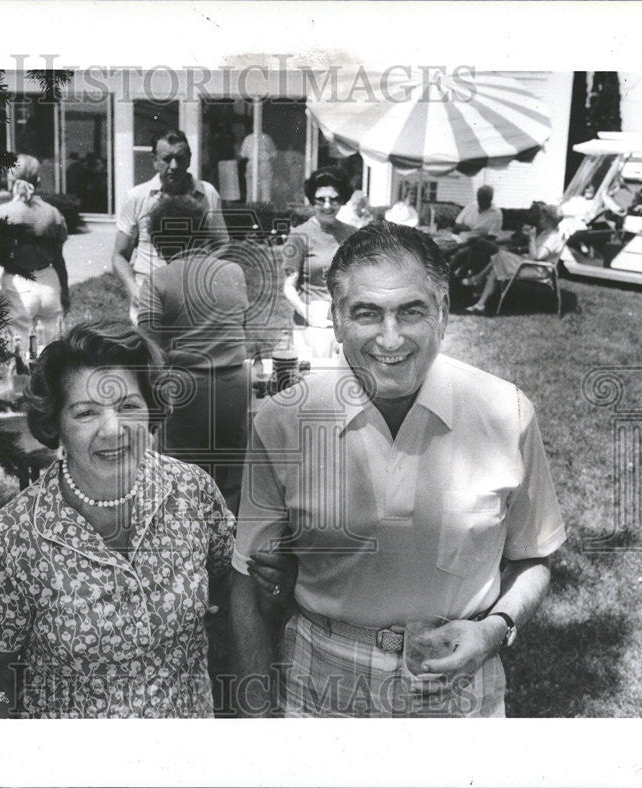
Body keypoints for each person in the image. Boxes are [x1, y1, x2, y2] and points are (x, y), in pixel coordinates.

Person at [230, 221, 565, 717]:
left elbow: (533, 557)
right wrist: (255, 720)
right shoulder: (283, 421)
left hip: (458, 675)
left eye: (412, 311)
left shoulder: (506, 412)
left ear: (444, 314)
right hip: (320, 677)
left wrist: (493, 631)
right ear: (336, 320)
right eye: (367, 313)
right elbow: (248, 583)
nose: (392, 339)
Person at [0, 320, 236, 718]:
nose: (113, 430)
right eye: (86, 413)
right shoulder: (12, 538)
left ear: (151, 411)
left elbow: (229, 587)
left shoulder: (192, 492)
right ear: (55, 424)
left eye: (128, 406)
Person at [136, 196, 250, 514]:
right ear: (202, 232)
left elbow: (147, 349)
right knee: (228, 478)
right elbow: (240, 326)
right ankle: (227, 549)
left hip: (185, 388)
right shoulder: (233, 271)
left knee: (179, 479)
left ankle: (184, 548)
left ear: (159, 240)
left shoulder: (158, 279)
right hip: (234, 385)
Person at [113, 129, 228, 321]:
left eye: (180, 158)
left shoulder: (207, 194)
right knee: (150, 350)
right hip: (149, 294)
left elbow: (223, 244)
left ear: (190, 159)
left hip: (194, 297)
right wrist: (133, 289)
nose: (174, 166)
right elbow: (119, 255)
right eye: (167, 159)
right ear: (155, 160)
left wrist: (200, 273)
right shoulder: (137, 197)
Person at [0, 154, 69, 350]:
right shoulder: (53, 213)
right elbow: (59, 258)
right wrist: (65, 291)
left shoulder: (1, 213)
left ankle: (23, 379)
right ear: (38, 180)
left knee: (19, 348)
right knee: (54, 346)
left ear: (10, 180)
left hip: (18, 283)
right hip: (49, 282)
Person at [281, 167, 356, 358]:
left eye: (334, 199)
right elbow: (288, 286)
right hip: (311, 323)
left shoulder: (352, 234)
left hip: (344, 319)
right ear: (312, 200)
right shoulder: (300, 235)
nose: (327, 206)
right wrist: (308, 314)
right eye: (321, 199)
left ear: (343, 200)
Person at [463, 202, 565, 314]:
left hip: (537, 270)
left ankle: (478, 283)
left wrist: (531, 238)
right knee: (499, 259)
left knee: (499, 258)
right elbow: (534, 255)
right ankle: (480, 301)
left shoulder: (552, 238)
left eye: (542, 217)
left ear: (549, 220)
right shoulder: (548, 233)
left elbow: (536, 257)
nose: (540, 219)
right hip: (531, 265)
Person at [239, 129, 277, 203]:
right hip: (265, 163)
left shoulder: (248, 138)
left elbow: (243, 155)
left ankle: (251, 208)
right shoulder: (267, 138)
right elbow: (273, 154)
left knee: (251, 188)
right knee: (266, 188)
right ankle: (265, 209)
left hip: (252, 163)